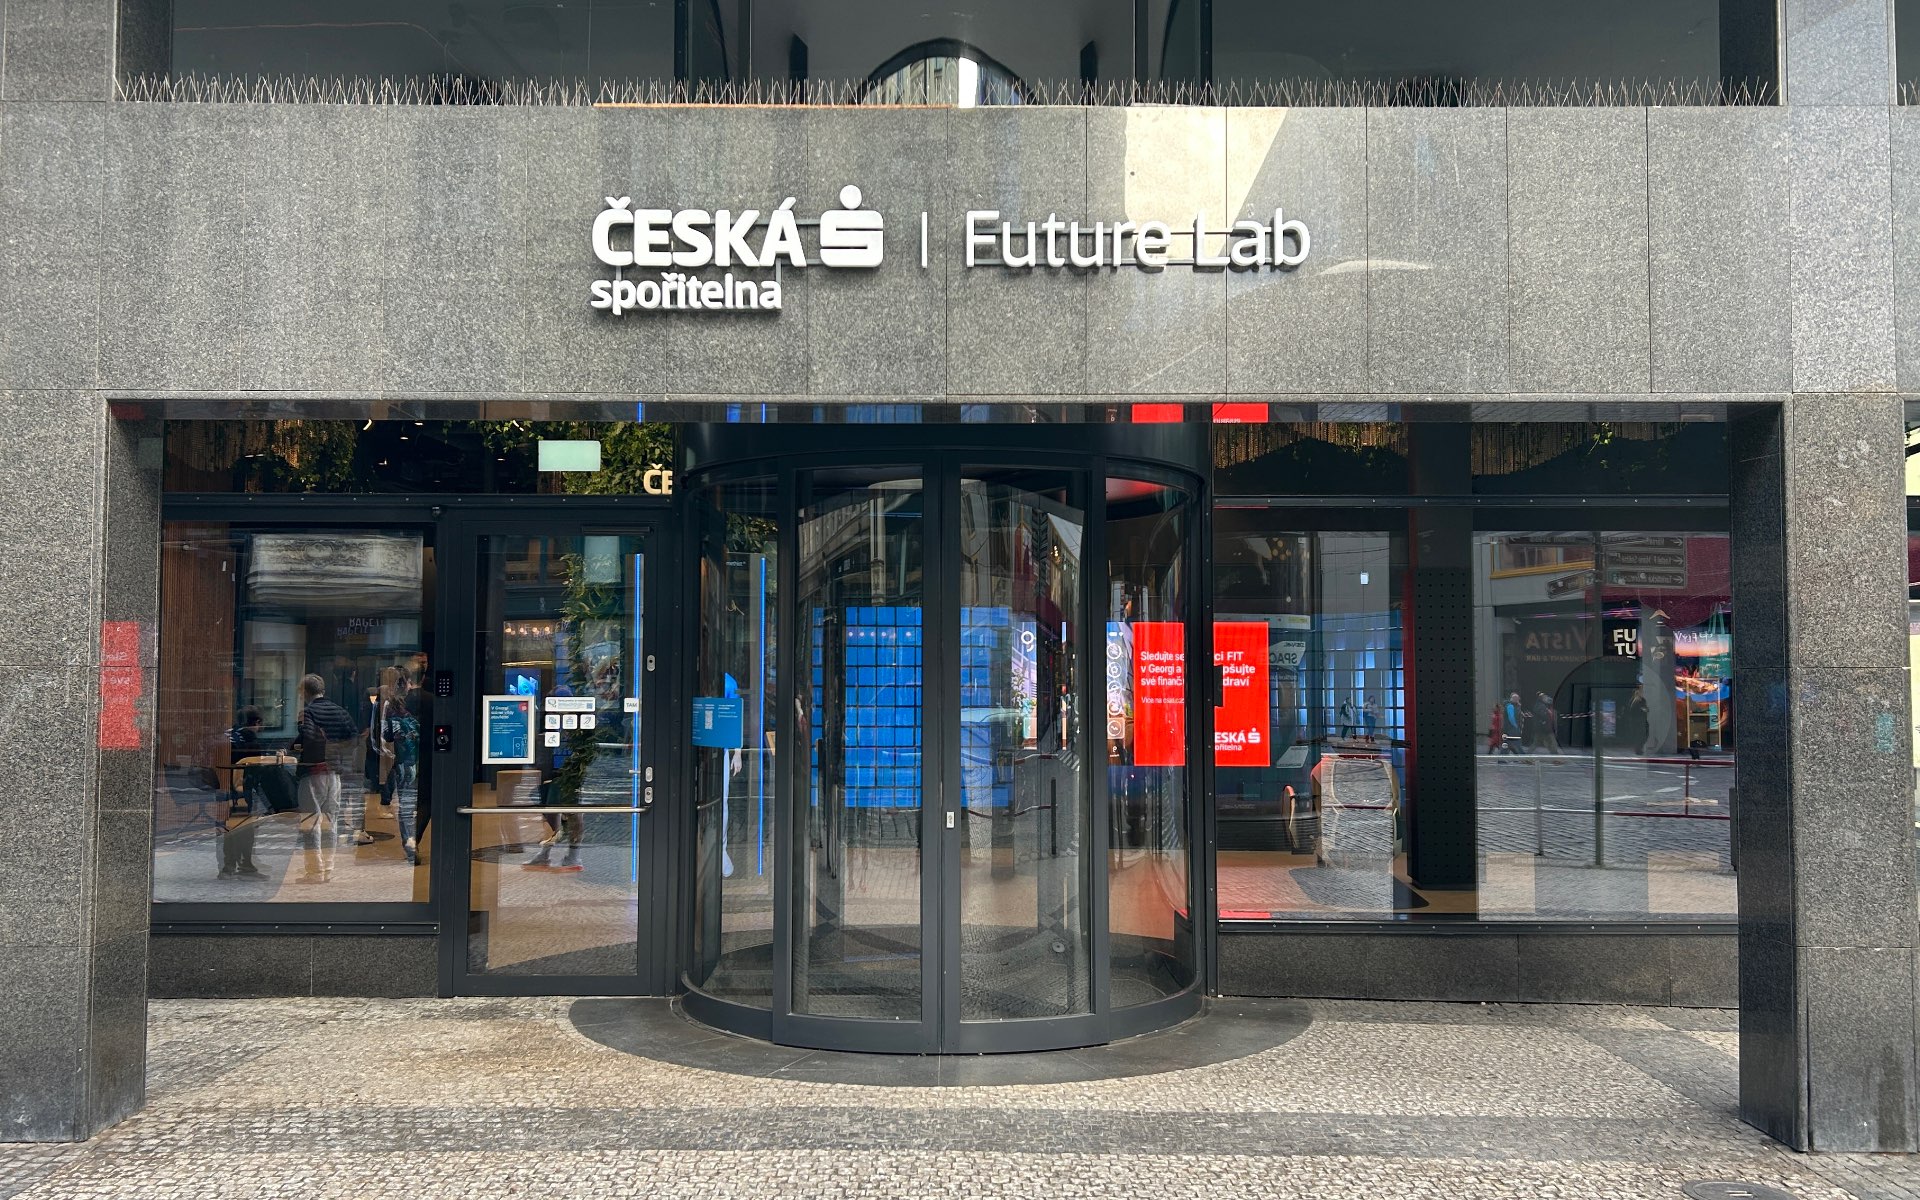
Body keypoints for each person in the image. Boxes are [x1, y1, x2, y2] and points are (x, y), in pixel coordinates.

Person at [291, 673, 360, 883]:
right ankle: (328, 867)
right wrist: (338, 755)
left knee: (311, 822)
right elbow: (354, 737)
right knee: (331, 820)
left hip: (313, 771)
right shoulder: (339, 711)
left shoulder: (308, 712)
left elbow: (310, 737)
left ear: (304, 692)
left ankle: (315, 870)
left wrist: (297, 746)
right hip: (334, 772)